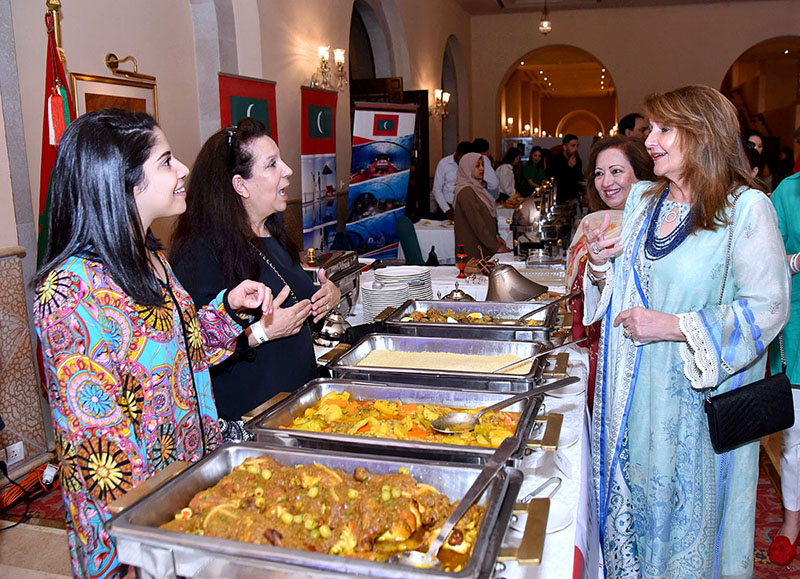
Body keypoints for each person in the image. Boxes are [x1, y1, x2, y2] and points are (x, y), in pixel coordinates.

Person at [33, 109, 275, 578]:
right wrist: (143, 545)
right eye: (166, 161)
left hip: (184, 495)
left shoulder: (150, 259)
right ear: (122, 183)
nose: (183, 169)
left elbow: (180, 350)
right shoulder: (70, 292)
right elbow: (99, 450)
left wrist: (228, 311)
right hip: (136, 530)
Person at [583, 85, 789, 578]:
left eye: (663, 129)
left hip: (697, 403)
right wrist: (598, 268)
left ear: (701, 135)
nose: (648, 140)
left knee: (691, 529)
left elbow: (769, 306)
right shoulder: (643, 201)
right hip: (634, 397)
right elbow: (629, 281)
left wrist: (676, 327)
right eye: (650, 128)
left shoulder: (746, 209)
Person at [171, 118, 339, 441]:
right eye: (272, 164)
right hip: (252, 426)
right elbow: (195, 350)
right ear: (241, 185)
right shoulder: (199, 252)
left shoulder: (270, 231)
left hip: (297, 413)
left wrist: (325, 297)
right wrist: (262, 333)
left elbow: (294, 311)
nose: (287, 170)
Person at [566, 136, 655, 409]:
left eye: (617, 171)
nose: (606, 182)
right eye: (599, 174)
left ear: (640, 174)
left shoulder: (655, 223)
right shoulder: (593, 223)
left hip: (639, 351)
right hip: (597, 344)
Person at [768, 170, 800, 566]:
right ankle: (792, 521)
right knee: (795, 439)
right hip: (797, 326)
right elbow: (765, 262)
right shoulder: (787, 193)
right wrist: (794, 261)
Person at [453, 152, 510, 260]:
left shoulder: (477, 188)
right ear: (467, 168)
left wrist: (496, 236)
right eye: (477, 165)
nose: (482, 169)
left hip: (483, 247)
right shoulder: (466, 192)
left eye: (482, 165)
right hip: (473, 251)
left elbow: (487, 217)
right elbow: (477, 223)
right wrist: (496, 247)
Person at [432, 140, 472, 219]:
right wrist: (447, 210)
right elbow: (437, 189)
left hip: (465, 207)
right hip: (446, 206)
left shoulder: (470, 164)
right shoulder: (444, 163)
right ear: (458, 155)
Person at [546, 133, 583, 205]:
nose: (576, 148)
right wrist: (568, 167)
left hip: (573, 196)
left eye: (577, 146)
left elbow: (578, 178)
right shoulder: (554, 160)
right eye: (573, 145)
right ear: (565, 147)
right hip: (558, 197)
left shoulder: (577, 161)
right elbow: (553, 178)